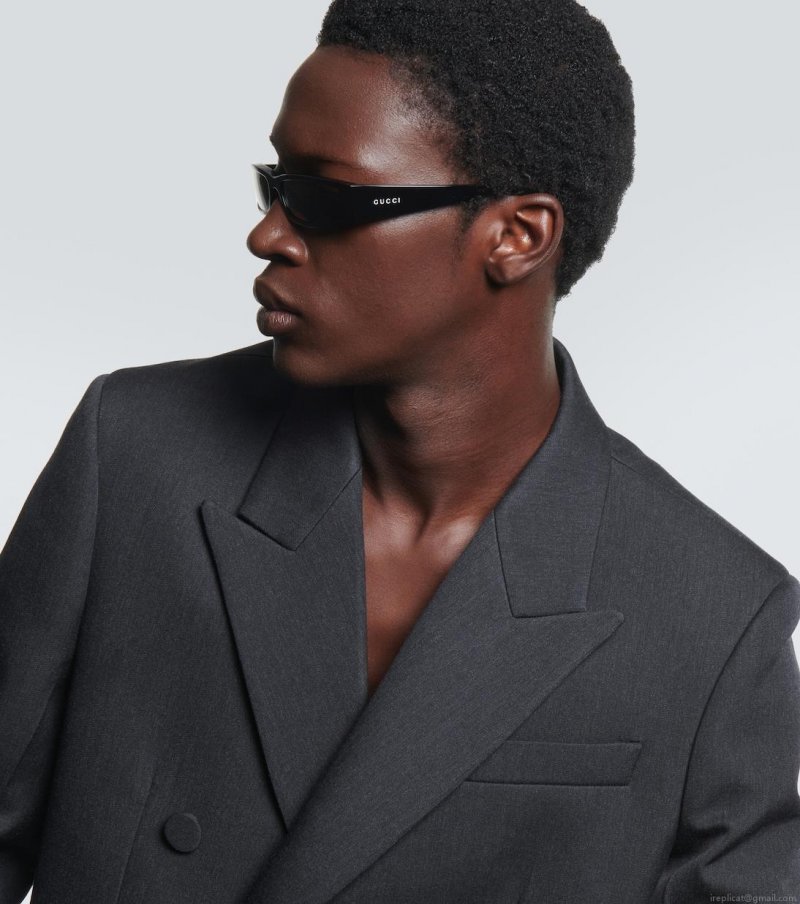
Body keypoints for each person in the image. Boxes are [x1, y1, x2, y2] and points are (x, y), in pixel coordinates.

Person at [1, 0, 798, 901]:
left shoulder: (714, 613)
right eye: (275, 184)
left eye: (326, 199)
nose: (268, 235)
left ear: (517, 236)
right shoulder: (136, 456)